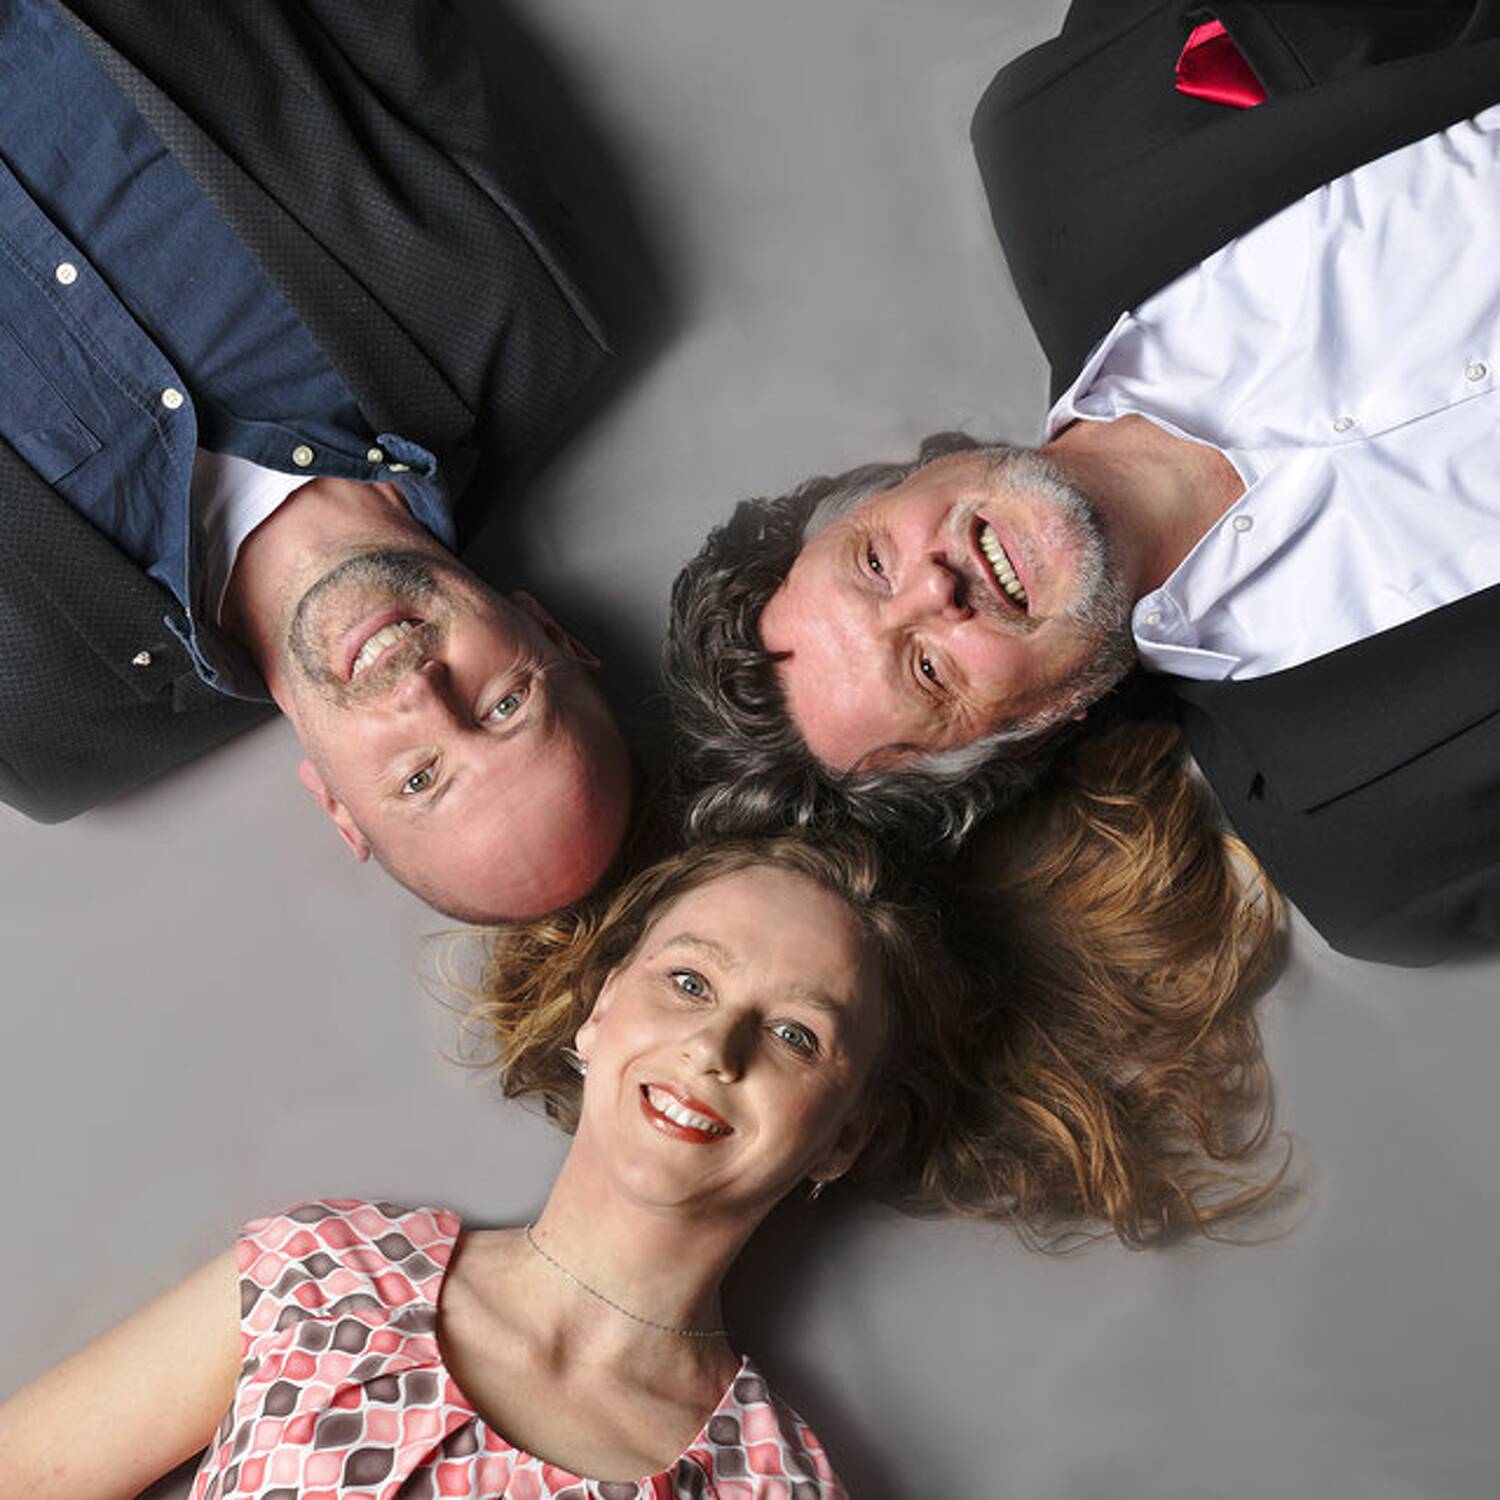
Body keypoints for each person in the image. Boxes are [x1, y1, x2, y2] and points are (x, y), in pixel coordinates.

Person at [0, 828, 1284, 1495]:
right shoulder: (322, 1274)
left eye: (796, 1033)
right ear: (598, 1010)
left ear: (843, 1135)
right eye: (688, 981)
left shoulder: (770, 1488)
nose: (714, 1046)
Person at [665, 1, 1500, 964]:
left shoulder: (1066, 132)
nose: (935, 590)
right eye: (927, 670)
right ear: (1028, 730)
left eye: (874, 563)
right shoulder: (1380, 857)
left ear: (899, 482)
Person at [1, 0, 632, 919]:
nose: (425, 692)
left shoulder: (38, 725)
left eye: (419, 777)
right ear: (554, 638)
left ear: (338, 808)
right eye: (505, 706)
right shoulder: (515, 309)